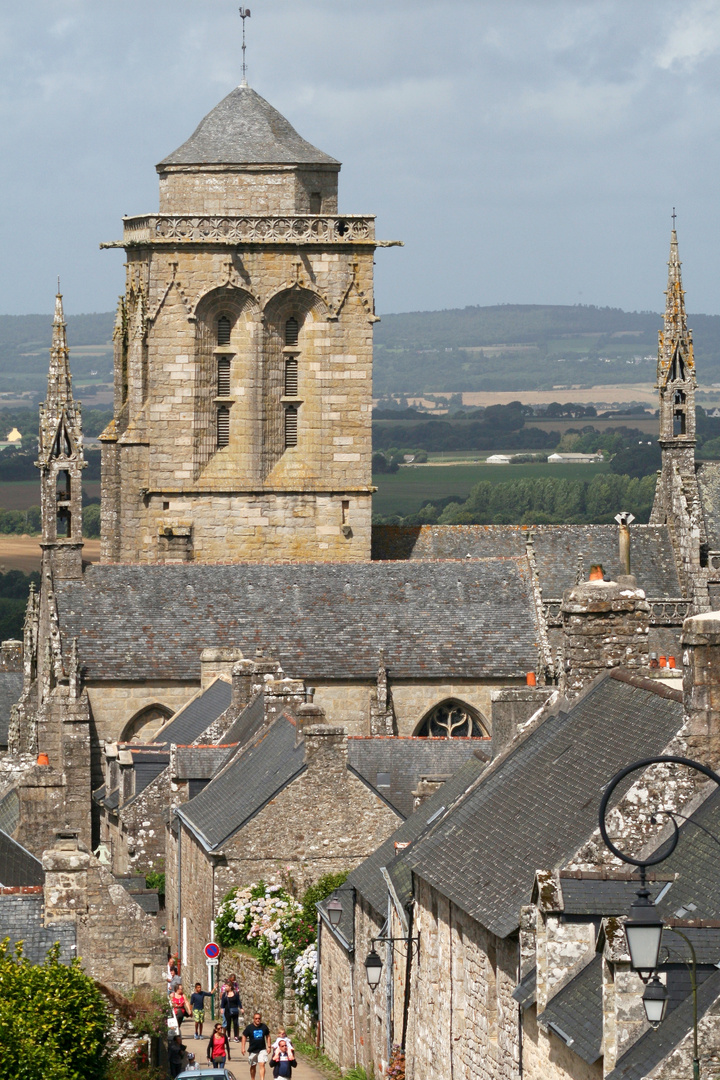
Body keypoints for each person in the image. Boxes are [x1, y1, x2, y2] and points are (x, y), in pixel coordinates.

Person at [241, 1012, 271, 1080]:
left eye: (259, 1018)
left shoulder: (264, 1027)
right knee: (253, 1065)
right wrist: (243, 1047)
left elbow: (268, 1036)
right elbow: (244, 1036)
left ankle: (262, 1079)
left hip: (262, 1049)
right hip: (253, 1049)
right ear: (253, 1019)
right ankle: (253, 1078)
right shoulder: (249, 1027)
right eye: (256, 1018)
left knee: (262, 1064)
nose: (258, 1020)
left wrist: (269, 1046)